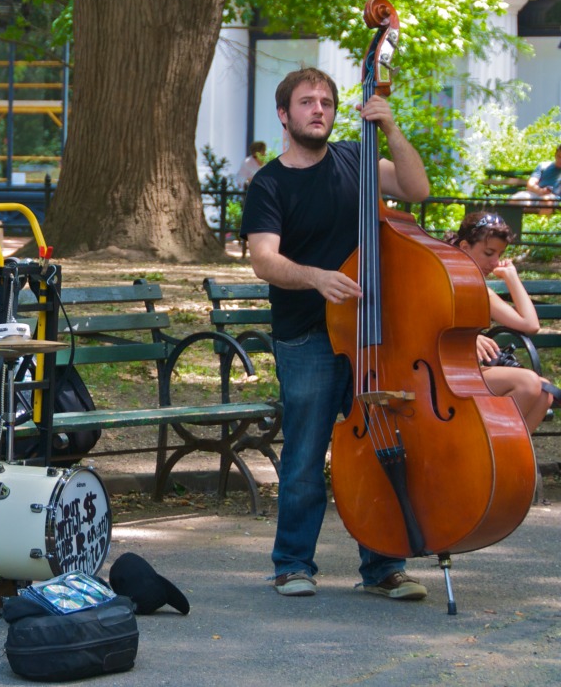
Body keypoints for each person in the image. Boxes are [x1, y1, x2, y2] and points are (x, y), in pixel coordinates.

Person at [240, 66, 431, 600]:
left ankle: (384, 566)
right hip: (307, 335)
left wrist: (390, 126)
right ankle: (293, 564)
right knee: (305, 452)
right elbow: (264, 260)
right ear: (285, 114)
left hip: (371, 333)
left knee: (380, 443)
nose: (318, 109)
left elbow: (417, 188)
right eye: (306, 102)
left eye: (326, 101)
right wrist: (316, 278)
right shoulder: (270, 183)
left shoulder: (357, 157)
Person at [445, 211, 553, 431]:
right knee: (527, 383)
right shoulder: (438, 277)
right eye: (488, 253)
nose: (495, 262)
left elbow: (530, 325)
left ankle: (506, 462)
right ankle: (482, 454)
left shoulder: (480, 288)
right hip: (443, 375)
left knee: (545, 392)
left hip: (469, 372)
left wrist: (512, 277)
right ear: (465, 247)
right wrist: (466, 340)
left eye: (500, 254)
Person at [509, 145, 561, 213]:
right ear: (555, 155)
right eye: (559, 156)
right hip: (535, 193)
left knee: (546, 200)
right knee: (516, 199)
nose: (560, 160)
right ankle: (508, 223)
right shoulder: (543, 166)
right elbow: (531, 184)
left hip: (553, 197)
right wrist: (540, 191)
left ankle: (542, 223)